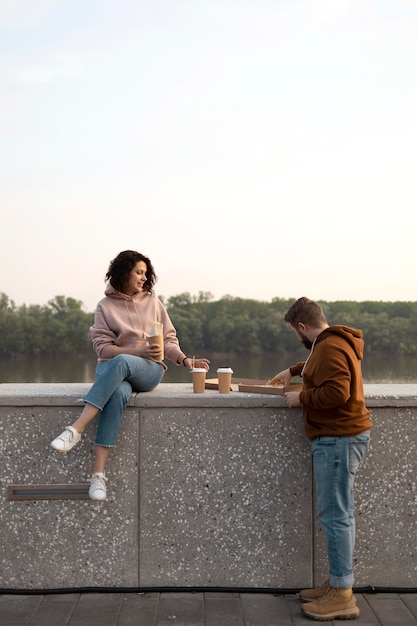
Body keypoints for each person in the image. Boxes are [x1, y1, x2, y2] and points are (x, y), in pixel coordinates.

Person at [50, 250, 210, 501]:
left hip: (149, 369)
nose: (144, 278)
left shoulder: (153, 303)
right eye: (139, 272)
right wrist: (137, 348)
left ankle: (76, 428)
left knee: (124, 362)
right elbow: (102, 348)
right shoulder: (104, 306)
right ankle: (98, 476)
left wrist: (185, 359)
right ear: (124, 272)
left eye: (146, 274)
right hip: (110, 368)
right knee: (121, 391)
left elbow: (168, 339)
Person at [269, 297, 372, 621]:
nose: (297, 339)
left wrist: (302, 397)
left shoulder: (328, 347)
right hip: (340, 438)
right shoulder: (331, 343)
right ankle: (337, 585)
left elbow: (337, 392)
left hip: (338, 439)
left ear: (302, 327)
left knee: (336, 516)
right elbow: (318, 366)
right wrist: (293, 371)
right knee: (337, 513)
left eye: (294, 333)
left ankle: (342, 596)